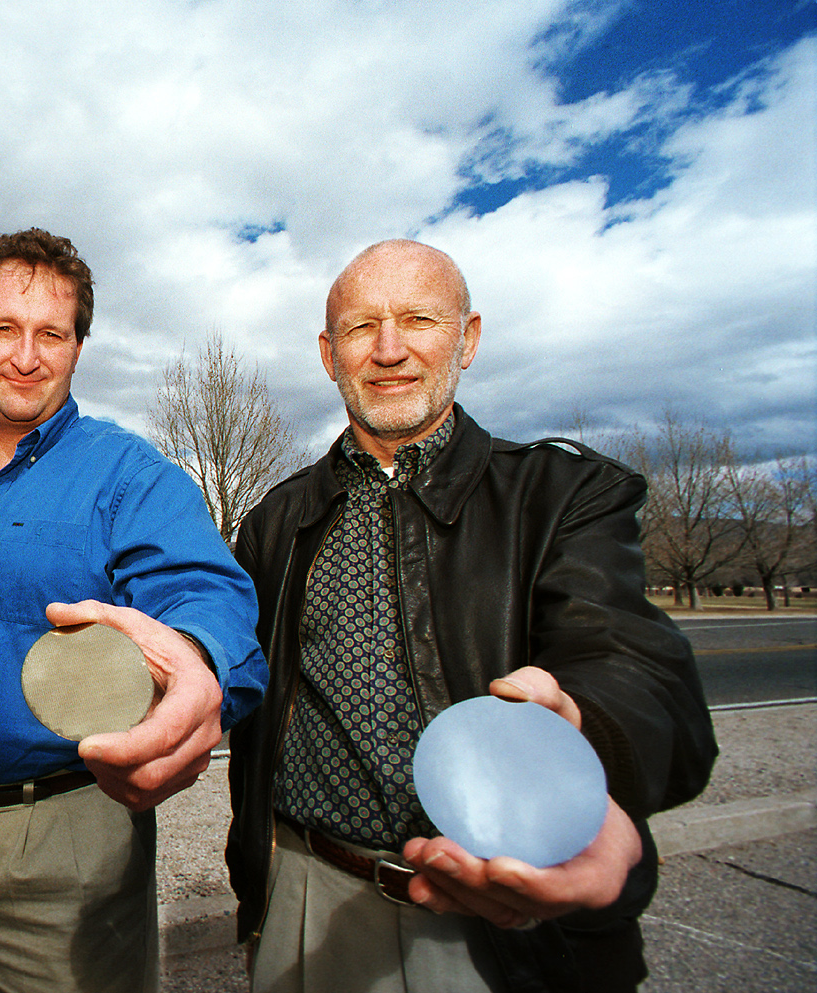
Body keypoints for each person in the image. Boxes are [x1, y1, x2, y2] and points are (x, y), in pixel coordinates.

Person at [226, 239, 717, 993]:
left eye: (419, 319)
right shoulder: (276, 519)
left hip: (499, 913)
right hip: (306, 893)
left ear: (469, 338)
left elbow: (634, 665)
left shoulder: (562, 495)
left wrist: (585, 728)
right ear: (328, 354)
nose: (389, 349)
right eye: (361, 327)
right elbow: (237, 675)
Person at [0, 228, 268, 992]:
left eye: (51, 334)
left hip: (62, 840)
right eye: (4, 329)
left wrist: (197, 658)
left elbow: (204, 594)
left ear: (78, 347)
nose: (25, 356)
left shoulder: (129, 474)